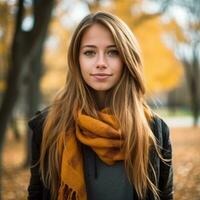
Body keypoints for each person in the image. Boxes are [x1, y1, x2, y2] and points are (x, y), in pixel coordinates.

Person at [27, 11, 173, 200]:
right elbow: (36, 195)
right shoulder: (48, 126)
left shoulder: (154, 130)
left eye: (113, 52)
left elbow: (165, 196)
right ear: (76, 59)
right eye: (89, 52)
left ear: (127, 59)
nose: (101, 63)